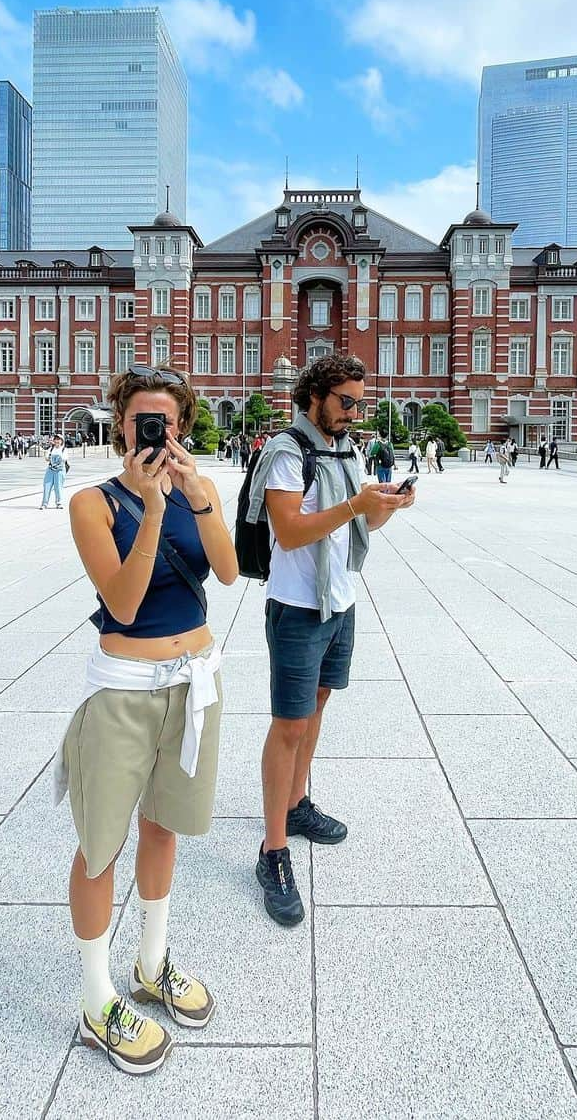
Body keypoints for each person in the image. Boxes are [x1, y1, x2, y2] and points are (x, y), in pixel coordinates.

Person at [56, 365, 237, 1072]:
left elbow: (225, 573)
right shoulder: (91, 504)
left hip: (194, 682)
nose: (153, 433)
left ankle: (152, 962)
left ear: (183, 427)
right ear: (122, 425)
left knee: (163, 827)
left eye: (166, 421)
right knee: (100, 845)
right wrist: (152, 508)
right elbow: (125, 604)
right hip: (125, 692)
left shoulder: (199, 490)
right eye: (140, 421)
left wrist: (199, 500)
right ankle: (96, 997)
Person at [245, 355, 412, 926]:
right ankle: (273, 851)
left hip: (339, 603)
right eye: (347, 401)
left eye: (361, 403)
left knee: (315, 711)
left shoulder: (345, 449)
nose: (356, 412)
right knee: (288, 724)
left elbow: (357, 529)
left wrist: (382, 507)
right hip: (297, 607)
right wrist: (356, 504)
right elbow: (289, 533)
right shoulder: (287, 452)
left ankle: (294, 806)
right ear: (315, 395)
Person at [42, 433, 69, 509]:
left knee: (58, 487)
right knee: (47, 486)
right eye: (55, 439)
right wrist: (51, 458)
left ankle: (59, 503)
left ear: (62, 441)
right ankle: (44, 503)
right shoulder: (50, 449)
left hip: (60, 470)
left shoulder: (64, 449)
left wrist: (56, 458)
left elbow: (64, 459)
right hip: (50, 470)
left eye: (58, 439)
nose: (57, 441)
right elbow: (46, 458)